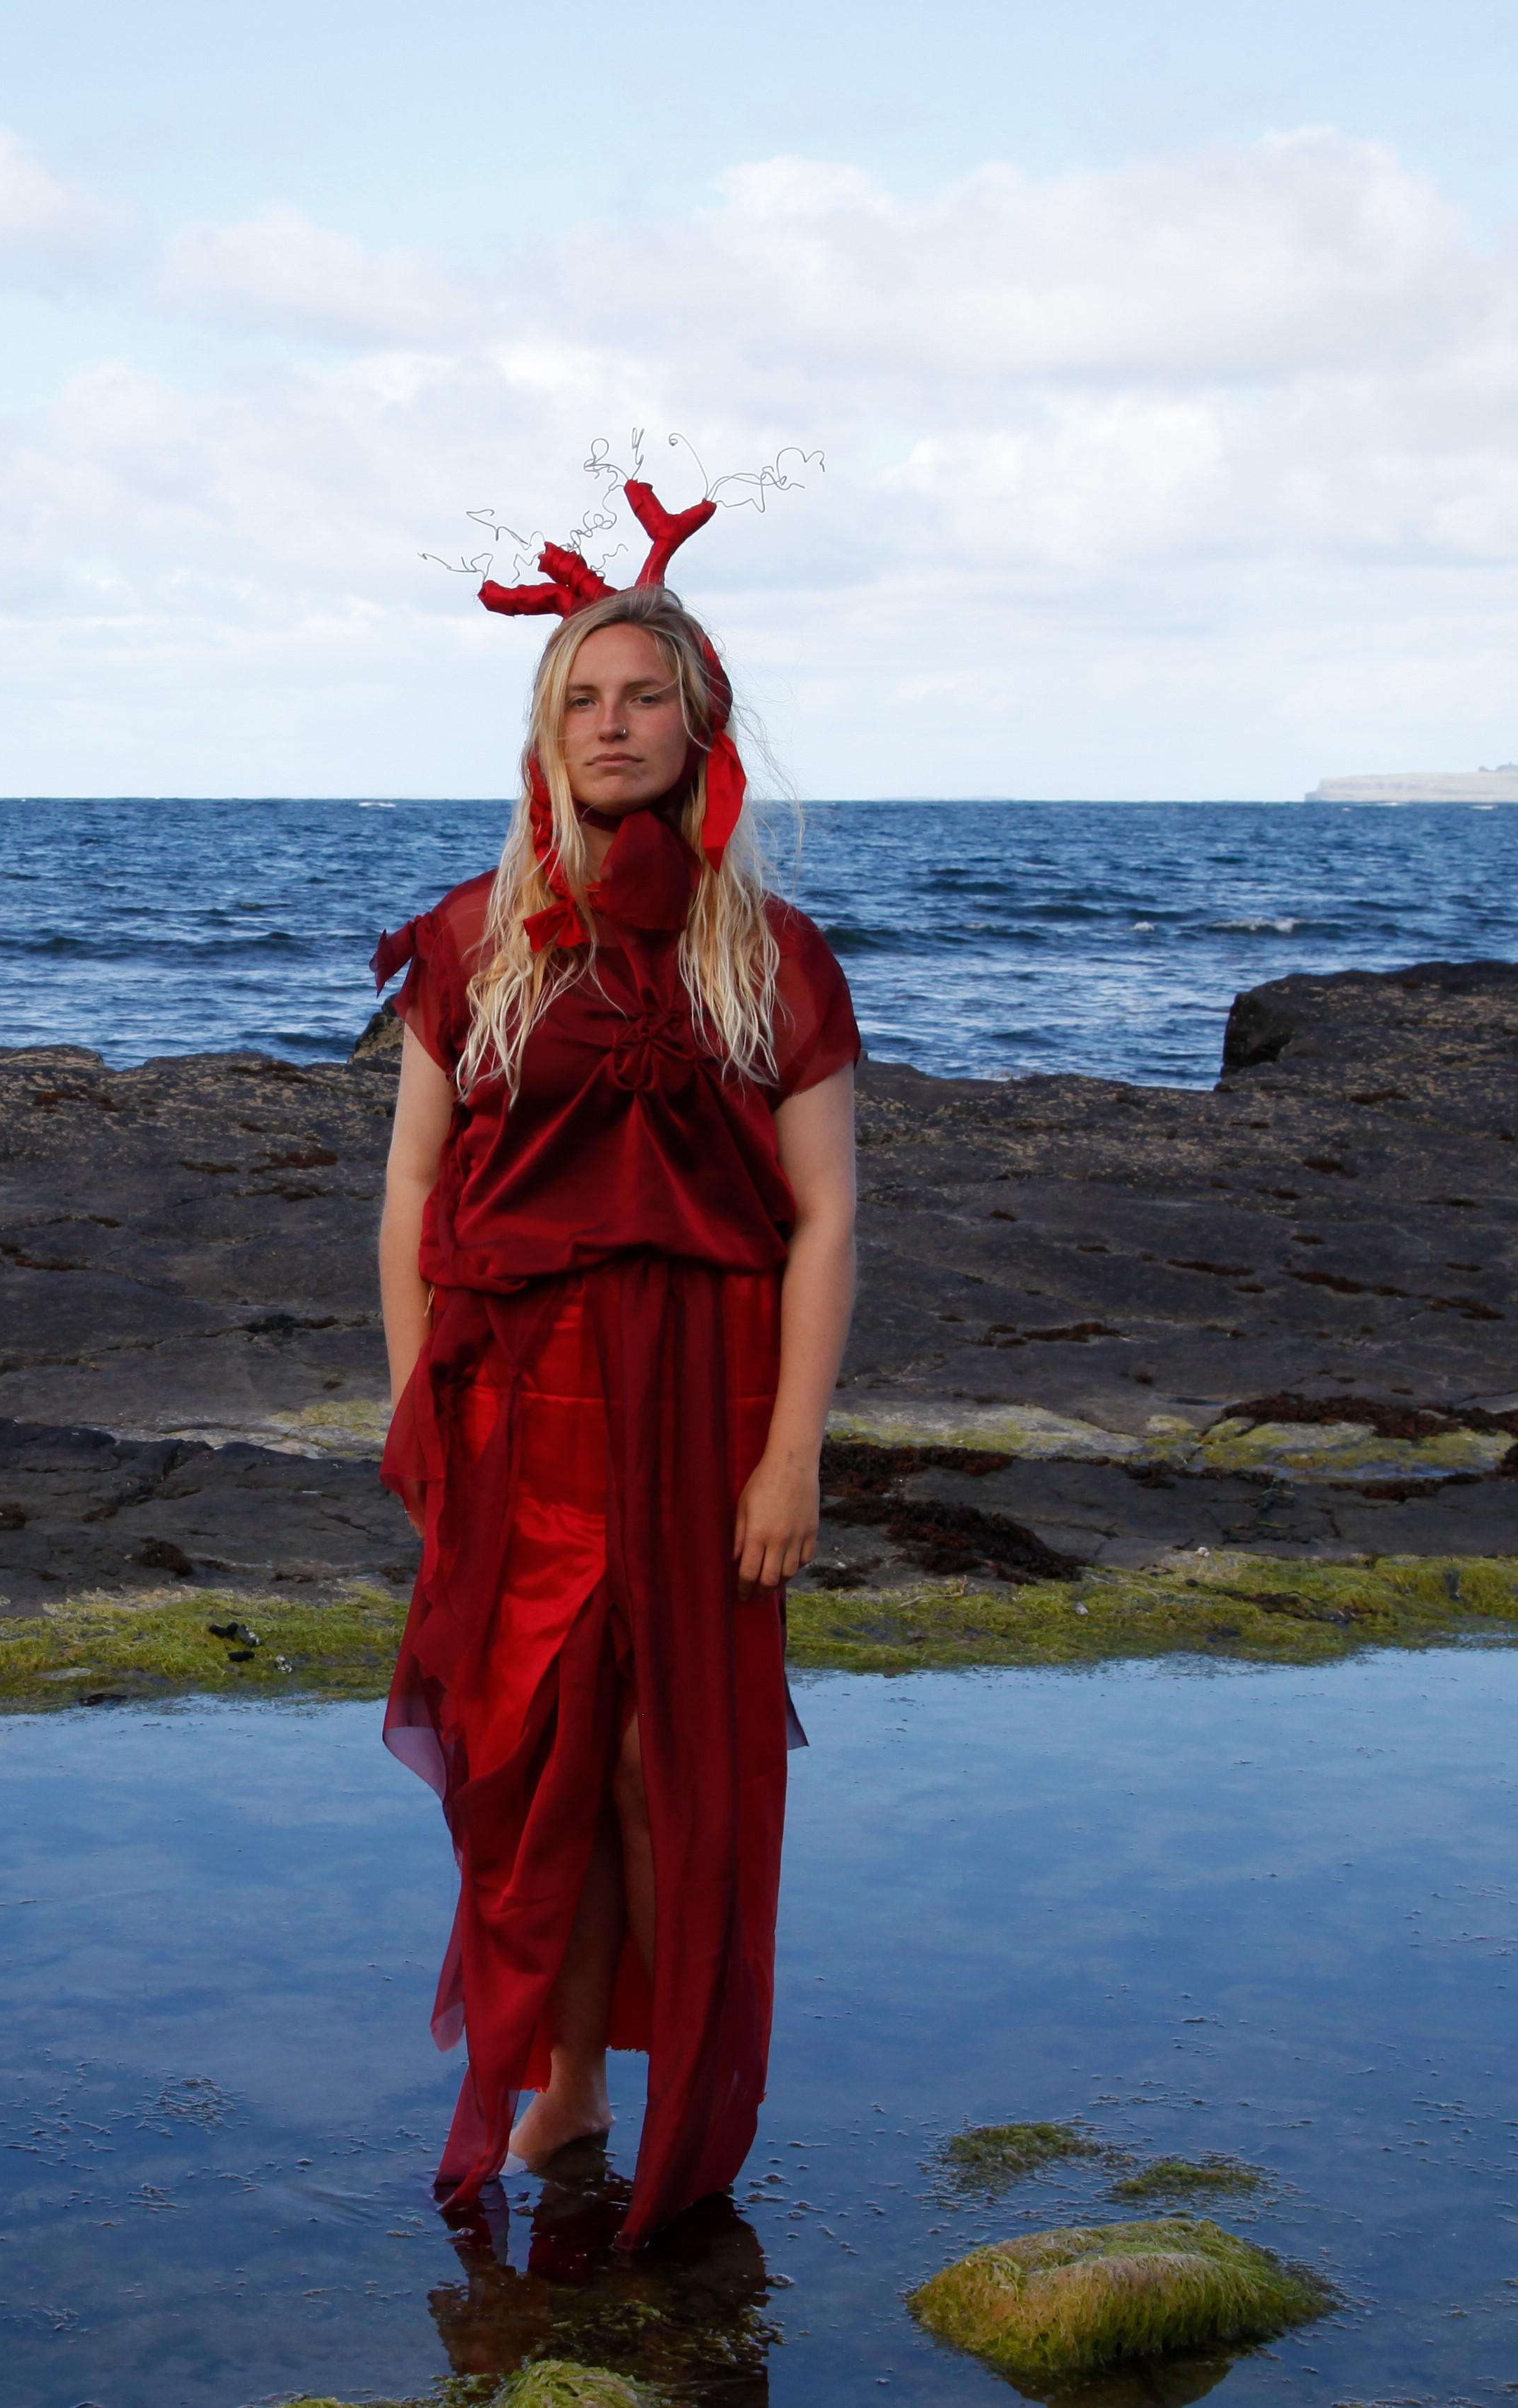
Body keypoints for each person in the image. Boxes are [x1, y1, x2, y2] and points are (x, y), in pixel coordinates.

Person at [371, 484, 860, 2244]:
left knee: (669, 1765)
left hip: (711, 1397)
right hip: (522, 1406)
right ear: (543, 731)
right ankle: (563, 2081)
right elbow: (415, 1196)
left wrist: (792, 1455)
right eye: (583, 698)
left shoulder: (773, 961)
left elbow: (824, 1223)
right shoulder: (471, 943)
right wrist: (425, 1412)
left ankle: (660, 2095)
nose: (612, 723)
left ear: (699, 721)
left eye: (643, 695)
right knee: (530, 1763)